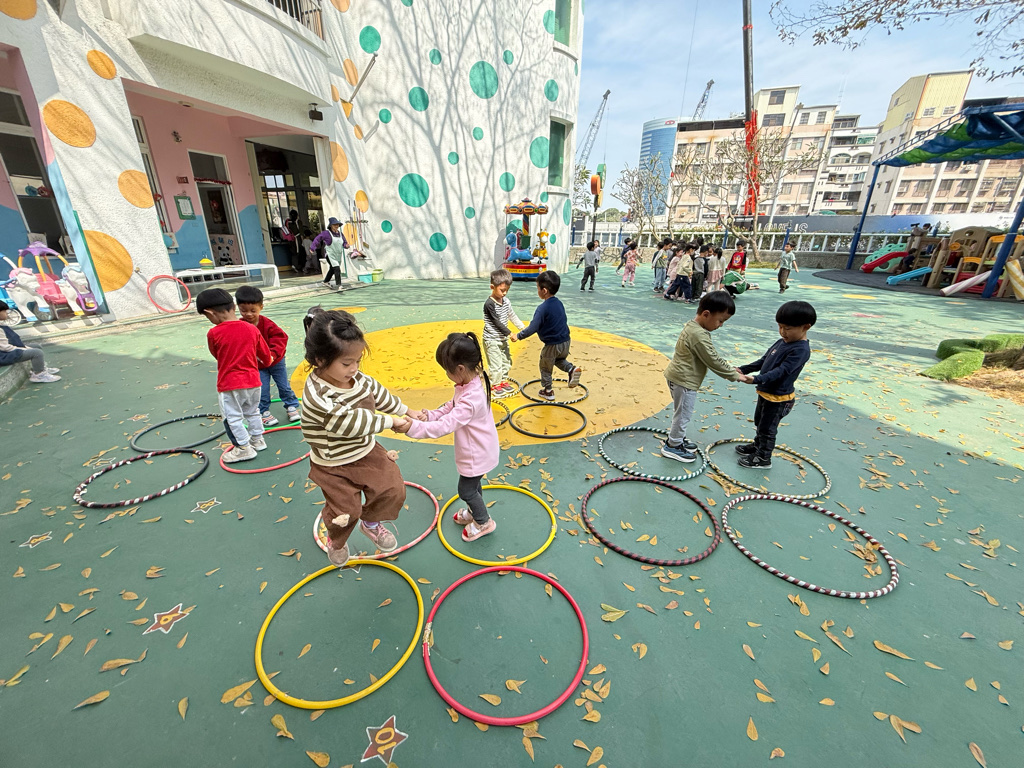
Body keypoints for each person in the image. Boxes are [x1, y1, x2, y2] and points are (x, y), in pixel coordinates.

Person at [300, 309, 415, 566]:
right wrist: (390, 421)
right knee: (345, 512)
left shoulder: (356, 377)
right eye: (346, 363)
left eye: (357, 361)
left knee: (393, 488)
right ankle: (337, 541)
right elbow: (350, 423)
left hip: (364, 450)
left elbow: (377, 393)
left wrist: (406, 411)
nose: (354, 369)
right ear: (320, 359)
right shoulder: (318, 395)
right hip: (333, 463)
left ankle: (371, 524)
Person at [405, 333, 500, 542]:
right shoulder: (472, 382)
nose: (447, 374)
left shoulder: (471, 399)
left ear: (460, 369)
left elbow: (446, 425)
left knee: (466, 490)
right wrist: (430, 415)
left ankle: (484, 522)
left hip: (477, 454)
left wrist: (412, 428)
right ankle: (475, 512)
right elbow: (452, 406)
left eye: (447, 370)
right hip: (481, 449)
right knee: (473, 486)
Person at [661, 291, 744, 462]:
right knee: (683, 414)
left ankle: (677, 438)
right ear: (706, 314)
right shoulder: (698, 335)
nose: (721, 325)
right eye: (720, 320)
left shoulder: (693, 327)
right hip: (685, 381)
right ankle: (673, 445)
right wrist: (734, 375)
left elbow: (710, 356)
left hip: (678, 377)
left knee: (681, 412)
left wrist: (730, 369)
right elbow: (712, 359)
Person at [735, 301, 816, 468]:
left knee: (768, 428)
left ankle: (763, 457)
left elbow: (781, 371)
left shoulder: (801, 350)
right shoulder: (782, 342)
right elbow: (764, 361)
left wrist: (756, 379)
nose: (782, 332)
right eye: (780, 327)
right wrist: (743, 369)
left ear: (805, 327)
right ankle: (758, 446)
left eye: (787, 328)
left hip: (779, 398)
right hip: (766, 393)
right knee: (760, 422)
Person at [197, 288, 273, 463]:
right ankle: (258, 440)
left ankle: (243, 448)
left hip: (230, 384)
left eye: (207, 317)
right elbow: (266, 358)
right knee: (253, 412)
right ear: (233, 306)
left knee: (232, 417)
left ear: (210, 313)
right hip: (254, 381)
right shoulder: (252, 329)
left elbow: (217, 355)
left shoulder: (214, 333)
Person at [235, 285, 301, 427]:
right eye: (243, 310)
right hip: (257, 365)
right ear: (238, 308)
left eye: (253, 310)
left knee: (283, 385)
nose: (249, 314)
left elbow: (280, 338)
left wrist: (272, 354)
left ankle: (291, 405)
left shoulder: (267, 324)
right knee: (262, 389)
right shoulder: (239, 326)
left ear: (261, 307)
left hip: (276, 361)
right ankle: (263, 411)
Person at [511, 271, 581, 401]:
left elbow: (533, 327)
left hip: (552, 344)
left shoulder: (542, 308)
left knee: (545, 366)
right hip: (565, 341)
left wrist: (519, 336)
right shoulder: (559, 303)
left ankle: (548, 391)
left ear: (544, 291)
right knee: (558, 360)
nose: (537, 291)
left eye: (537, 288)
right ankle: (571, 369)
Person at [483, 268, 526, 395]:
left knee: (506, 361)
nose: (505, 293)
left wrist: (522, 328)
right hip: (491, 340)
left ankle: (502, 381)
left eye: (507, 290)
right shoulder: (489, 304)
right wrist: (510, 333)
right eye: (502, 290)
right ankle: (495, 385)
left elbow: (511, 315)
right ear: (492, 287)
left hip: (502, 339)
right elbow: (496, 322)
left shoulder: (506, 301)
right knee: (495, 364)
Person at [0, 300, 60, 383]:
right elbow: (5, 348)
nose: (7, 313)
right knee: (36, 352)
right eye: (4, 311)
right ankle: (39, 375)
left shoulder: (2, 325)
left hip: (9, 351)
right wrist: (24, 349)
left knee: (36, 346)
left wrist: (24, 347)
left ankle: (39, 367)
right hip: (4, 356)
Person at [310, 217, 348, 289]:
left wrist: (346, 245)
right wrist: (312, 248)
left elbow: (344, 242)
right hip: (330, 255)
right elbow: (317, 239)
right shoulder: (326, 233)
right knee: (336, 268)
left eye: (337, 224)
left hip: (338, 255)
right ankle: (339, 285)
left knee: (332, 269)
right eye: (334, 225)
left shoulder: (340, 234)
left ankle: (325, 281)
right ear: (331, 225)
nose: (336, 226)